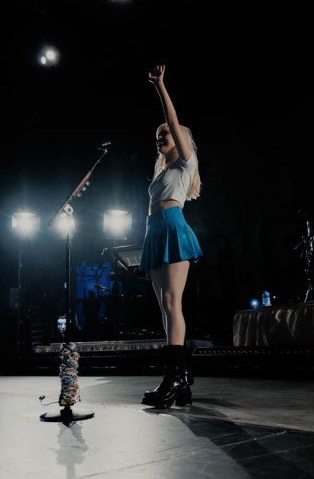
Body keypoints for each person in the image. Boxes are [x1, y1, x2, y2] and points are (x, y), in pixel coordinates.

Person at [138, 64, 203, 409]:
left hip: (173, 228)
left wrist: (159, 86)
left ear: (180, 139)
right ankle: (182, 378)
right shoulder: (161, 173)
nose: (161, 137)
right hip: (154, 232)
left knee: (172, 302)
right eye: (158, 136)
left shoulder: (184, 165)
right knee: (165, 307)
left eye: (166, 134)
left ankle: (173, 378)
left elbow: (173, 121)